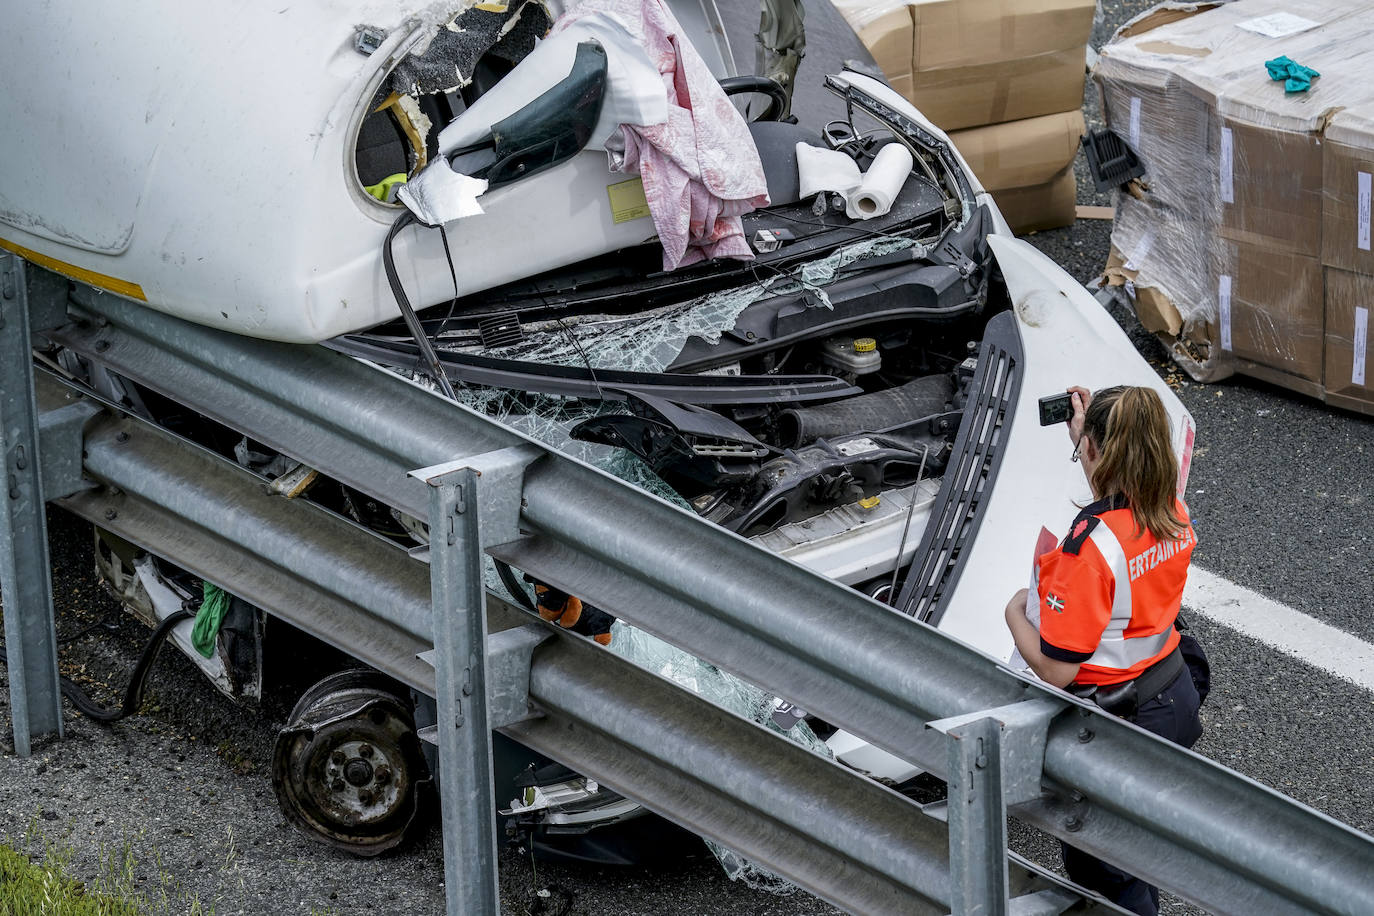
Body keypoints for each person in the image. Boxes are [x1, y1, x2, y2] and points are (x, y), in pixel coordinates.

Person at [1004, 384, 1203, 916]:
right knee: (1138, 846)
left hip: (1120, 723)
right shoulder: (1172, 509)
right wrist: (1087, 437)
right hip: (1174, 694)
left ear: (1094, 448)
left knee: (1108, 871)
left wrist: (1015, 612)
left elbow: (1058, 670)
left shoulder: (1087, 548)